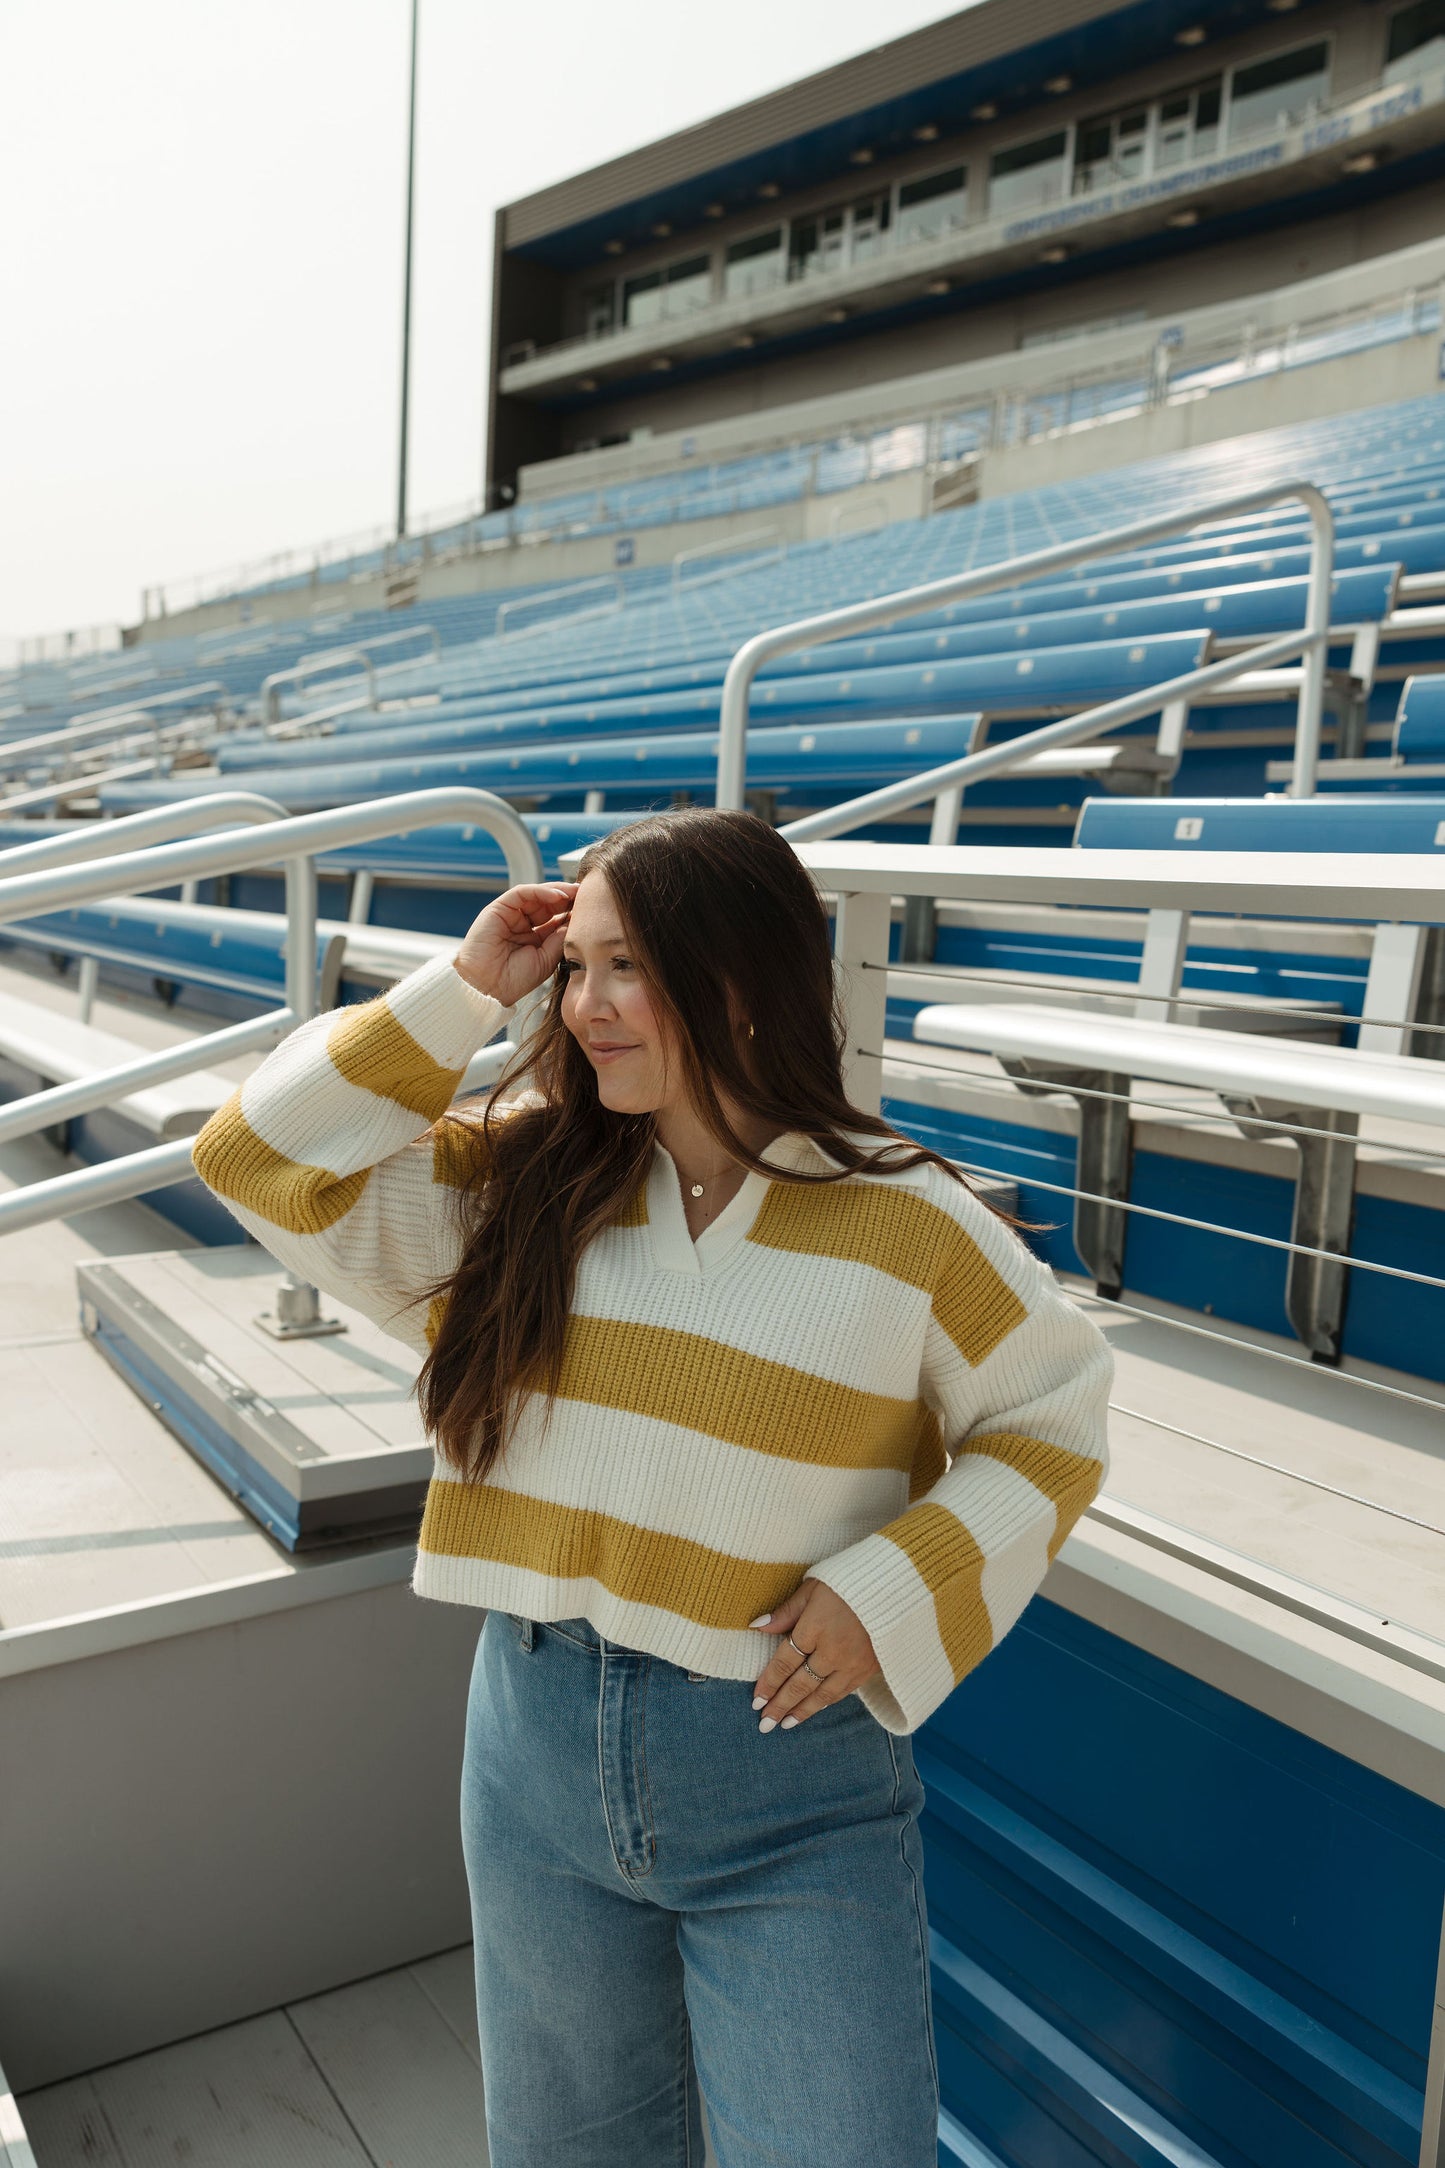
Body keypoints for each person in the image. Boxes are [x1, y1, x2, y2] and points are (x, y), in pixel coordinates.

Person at [192, 807, 1112, 2168]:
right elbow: (252, 1155)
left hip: (792, 1789)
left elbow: (1053, 1419)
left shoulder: (907, 1218)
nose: (586, 1003)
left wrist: (890, 1588)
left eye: (628, 967)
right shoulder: (521, 1183)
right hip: (530, 1750)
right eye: (578, 967)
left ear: (738, 982)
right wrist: (463, 989)